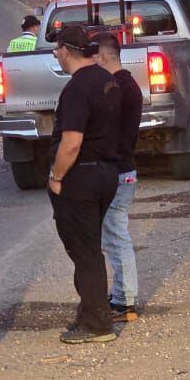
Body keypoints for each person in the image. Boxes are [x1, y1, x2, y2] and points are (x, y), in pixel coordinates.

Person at [47, 25, 121, 344]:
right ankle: (90, 310)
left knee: (85, 250)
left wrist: (56, 176)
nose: (55, 54)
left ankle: (97, 323)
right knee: (88, 247)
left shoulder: (78, 88)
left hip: (82, 177)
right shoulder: (108, 81)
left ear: (66, 50)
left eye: (56, 50)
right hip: (107, 172)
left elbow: (72, 143)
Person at [94, 32, 143, 322]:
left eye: (94, 57)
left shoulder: (118, 87)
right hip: (125, 167)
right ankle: (122, 294)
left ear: (103, 56)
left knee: (115, 236)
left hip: (120, 169)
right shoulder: (129, 84)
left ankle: (125, 300)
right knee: (115, 233)